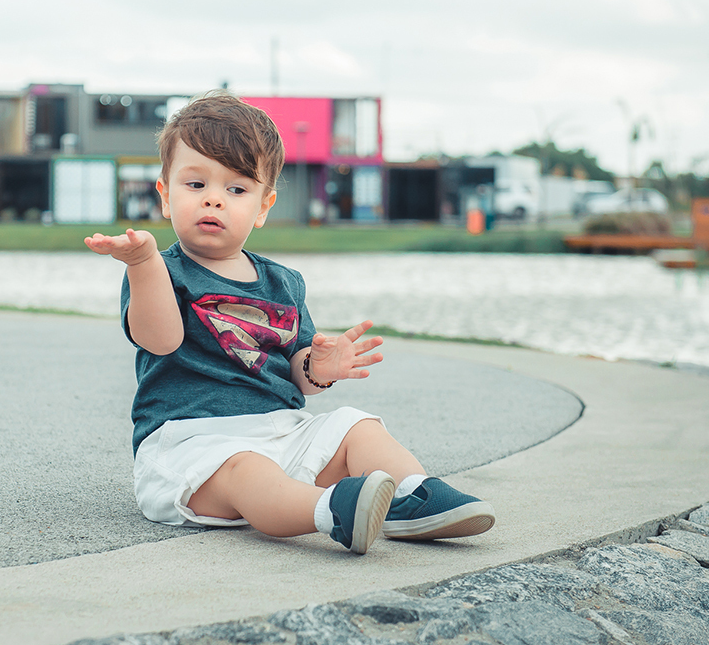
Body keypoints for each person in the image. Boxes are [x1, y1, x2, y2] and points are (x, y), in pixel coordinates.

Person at [84, 92, 495, 554]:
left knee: (356, 426)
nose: (214, 200)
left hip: (281, 431)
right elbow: (160, 341)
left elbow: (301, 377)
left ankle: (410, 497)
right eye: (196, 185)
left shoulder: (283, 283)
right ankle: (331, 512)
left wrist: (321, 366)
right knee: (248, 471)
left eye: (236, 190)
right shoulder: (160, 271)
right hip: (194, 445)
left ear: (263, 206)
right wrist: (140, 263)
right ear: (164, 194)